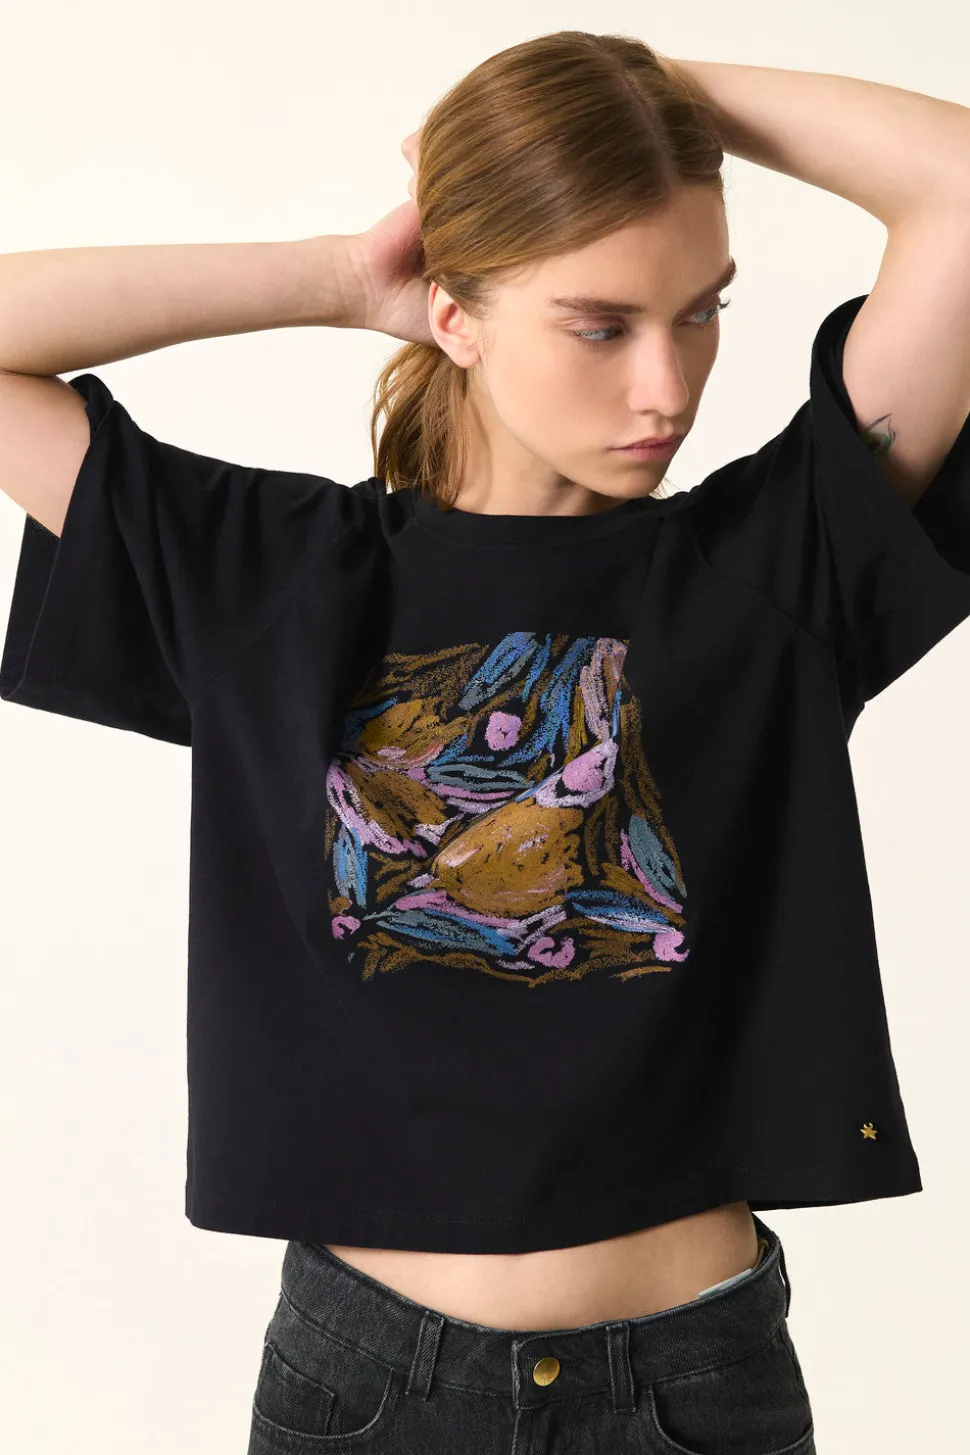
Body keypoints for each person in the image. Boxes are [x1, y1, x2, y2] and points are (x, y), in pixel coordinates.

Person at [3, 28, 970, 1455]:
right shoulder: (267, 580)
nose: (668, 387)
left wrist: (641, 91)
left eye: (700, 312)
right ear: (454, 314)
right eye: (600, 325)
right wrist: (342, 279)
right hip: (366, 1391)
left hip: (692, 1389)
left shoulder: (780, 570)